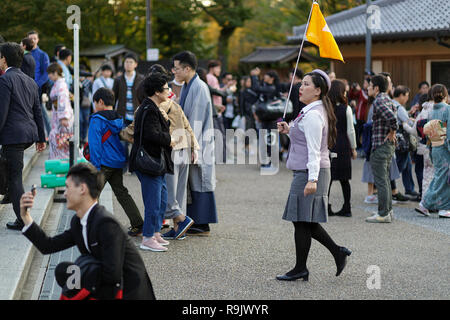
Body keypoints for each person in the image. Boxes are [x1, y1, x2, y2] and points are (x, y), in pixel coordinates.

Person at [20, 163, 156, 299]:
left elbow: (112, 275)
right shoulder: (79, 222)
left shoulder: (106, 224)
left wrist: (81, 280)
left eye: (68, 187)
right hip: (107, 285)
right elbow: (48, 245)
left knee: (76, 276)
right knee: (63, 270)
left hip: (129, 291)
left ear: (82, 189)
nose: (65, 193)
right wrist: (26, 217)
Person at [276, 70, 351, 281]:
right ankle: (336, 253)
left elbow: (314, 150)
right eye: (301, 83)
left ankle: (303, 267)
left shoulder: (313, 115)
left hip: (310, 172)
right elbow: (306, 139)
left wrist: (312, 179)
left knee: (301, 221)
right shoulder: (311, 111)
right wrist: (289, 130)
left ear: (318, 91)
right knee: (303, 221)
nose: (301, 87)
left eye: (306, 84)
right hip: (309, 171)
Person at [0, 42, 46, 230]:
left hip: (14, 135)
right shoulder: (30, 81)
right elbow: (38, 112)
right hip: (28, 134)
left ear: (4, 59)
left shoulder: (5, 80)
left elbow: (2, 112)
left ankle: (22, 219)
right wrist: (41, 137)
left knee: (15, 178)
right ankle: (14, 201)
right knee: (13, 173)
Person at [172, 51, 218, 236]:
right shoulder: (188, 86)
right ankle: (196, 220)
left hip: (199, 141)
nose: (174, 71)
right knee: (194, 181)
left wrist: (192, 147)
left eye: (176, 68)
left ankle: (202, 222)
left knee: (200, 181)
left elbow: (195, 122)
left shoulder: (198, 87)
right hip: (194, 141)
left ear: (187, 68)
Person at [89, 87, 145, 236]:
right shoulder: (118, 118)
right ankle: (138, 224)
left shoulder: (96, 120)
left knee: (92, 194)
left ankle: (93, 228)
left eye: (95, 103)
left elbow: (95, 144)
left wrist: (94, 166)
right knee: (122, 193)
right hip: (117, 162)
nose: (94, 107)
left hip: (103, 163)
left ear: (100, 102)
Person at [129, 72, 174, 251]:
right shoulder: (148, 109)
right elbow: (151, 135)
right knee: (153, 201)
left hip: (155, 162)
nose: (168, 91)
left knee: (161, 199)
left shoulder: (152, 108)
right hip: (149, 162)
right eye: (166, 88)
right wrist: (168, 139)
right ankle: (147, 238)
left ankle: (154, 232)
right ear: (156, 91)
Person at [365, 74, 398, 223]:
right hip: (387, 145)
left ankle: (383, 213)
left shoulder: (378, 101)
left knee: (381, 181)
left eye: (370, 86)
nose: (368, 88)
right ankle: (387, 211)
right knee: (384, 179)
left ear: (376, 88)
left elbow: (392, 118)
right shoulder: (388, 99)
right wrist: (392, 132)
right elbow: (393, 116)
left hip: (381, 145)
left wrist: (392, 131)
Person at [415, 84, 450, 218]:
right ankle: (430, 204)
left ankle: (434, 205)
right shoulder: (447, 110)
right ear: (445, 96)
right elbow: (449, 134)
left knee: (439, 178)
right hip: (445, 149)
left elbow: (429, 133)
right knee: (444, 179)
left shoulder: (432, 111)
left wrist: (431, 149)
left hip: (435, 147)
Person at [327, 79, 357, 217]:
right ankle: (347, 207)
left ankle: (325, 207)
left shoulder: (326, 108)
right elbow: (350, 130)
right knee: (345, 179)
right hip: (344, 144)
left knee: (328, 178)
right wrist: (354, 147)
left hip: (329, 144)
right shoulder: (347, 109)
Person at [392, 85, 420, 200]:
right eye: (406, 96)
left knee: (407, 165)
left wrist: (409, 113)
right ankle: (391, 186)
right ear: (401, 95)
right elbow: (406, 122)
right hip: (402, 141)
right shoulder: (399, 107)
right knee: (400, 165)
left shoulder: (392, 104)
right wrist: (416, 121)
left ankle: (409, 189)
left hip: (399, 140)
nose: (407, 98)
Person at [250, 67, 281, 168]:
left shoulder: (271, 88)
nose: (265, 76)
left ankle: (272, 162)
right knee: (265, 140)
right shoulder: (266, 86)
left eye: (267, 75)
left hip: (271, 119)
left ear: (271, 78)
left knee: (270, 141)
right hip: (265, 118)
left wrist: (254, 76)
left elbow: (256, 88)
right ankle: (266, 161)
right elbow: (257, 88)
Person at [47, 62, 74, 160]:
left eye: (50, 73)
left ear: (55, 73)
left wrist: (64, 117)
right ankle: (59, 163)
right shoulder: (58, 84)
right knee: (59, 141)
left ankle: (61, 164)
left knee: (60, 141)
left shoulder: (61, 85)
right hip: (58, 114)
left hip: (62, 117)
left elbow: (63, 101)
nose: (48, 76)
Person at [27, 30, 51, 136]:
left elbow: (46, 73)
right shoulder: (22, 53)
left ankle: (49, 134)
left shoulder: (42, 55)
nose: (32, 40)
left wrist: (37, 84)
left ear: (38, 40)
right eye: (30, 38)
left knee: (41, 112)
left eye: (34, 38)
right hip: (25, 87)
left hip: (38, 88)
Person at [113, 53, 145, 126]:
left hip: (137, 115)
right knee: (123, 136)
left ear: (135, 64)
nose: (128, 64)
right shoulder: (118, 79)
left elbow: (144, 97)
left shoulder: (141, 79)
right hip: (122, 115)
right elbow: (114, 97)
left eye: (131, 62)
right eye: (126, 62)